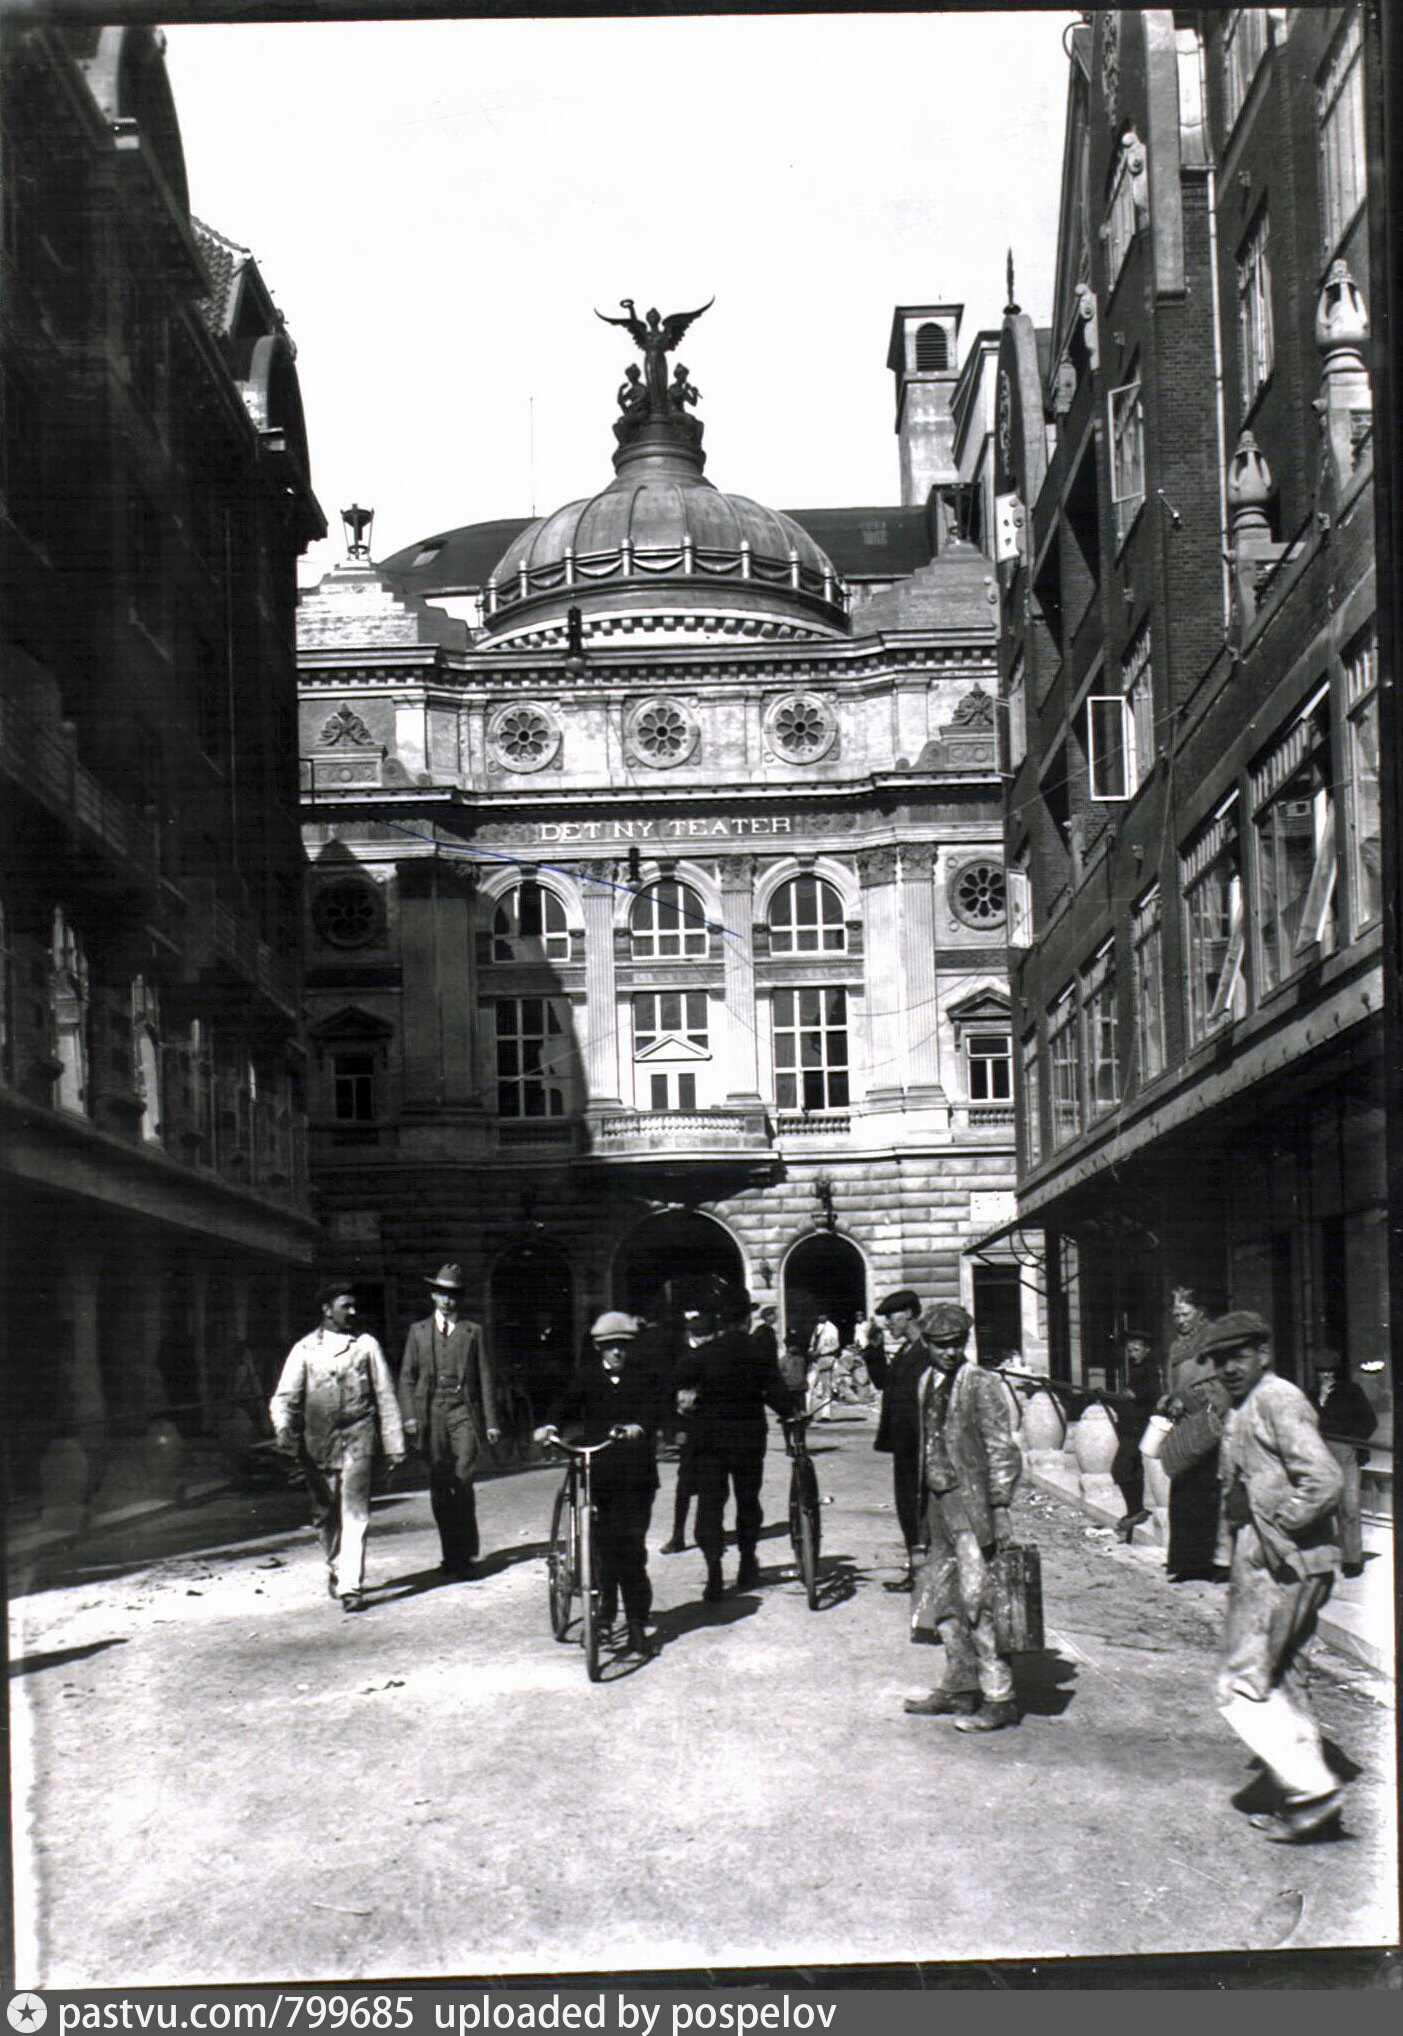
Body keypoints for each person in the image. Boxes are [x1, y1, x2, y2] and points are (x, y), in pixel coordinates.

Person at [1204, 1311, 1349, 1842]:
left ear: (1264, 1353)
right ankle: (1308, 1803)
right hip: (1276, 1561)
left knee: (1240, 1683)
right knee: (1283, 1676)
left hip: (1285, 1563)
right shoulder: (1245, 1405)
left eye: (1239, 1356)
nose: (1228, 1368)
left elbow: (1325, 1479)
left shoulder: (1277, 1398)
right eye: (1220, 1360)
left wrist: (1281, 1524)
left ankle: (1312, 1791)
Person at [904, 1302, 1023, 1731]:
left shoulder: (981, 1384)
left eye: (956, 1344)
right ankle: (960, 1686)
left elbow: (1001, 1449)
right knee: (944, 1598)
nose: (949, 1352)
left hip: (972, 1508)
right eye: (940, 1345)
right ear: (926, 1344)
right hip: (937, 1505)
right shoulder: (925, 1381)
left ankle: (999, 1696)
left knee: (980, 1601)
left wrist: (1000, 1506)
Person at [534, 1312, 668, 1656]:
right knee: (604, 1547)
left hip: (637, 1475)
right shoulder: (588, 1376)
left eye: (622, 1346)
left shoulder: (644, 1375)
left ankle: (636, 1621)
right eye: (610, 1347)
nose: (616, 1352)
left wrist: (640, 1426)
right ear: (599, 1348)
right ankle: (605, 1616)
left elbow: (656, 1410)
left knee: (632, 1548)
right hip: (601, 1473)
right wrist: (550, 1426)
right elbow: (565, 1402)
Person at [270, 1280, 405, 1613]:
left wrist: (394, 1443)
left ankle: (350, 1586)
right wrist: (283, 1427)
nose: (353, 1312)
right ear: (327, 1310)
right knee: (325, 1514)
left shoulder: (366, 1346)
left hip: (359, 1437)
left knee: (355, 1513)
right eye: (346, 1306)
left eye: (354, 1306)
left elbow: (385, 1395)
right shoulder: (304, 1349)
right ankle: (336, 1566)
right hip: (318, 1444)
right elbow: (285, 1397)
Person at [674, 1281, 799, 1602]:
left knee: (710, 1504)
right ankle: (746, 1562)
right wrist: (792, 1413)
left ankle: (714, 1570)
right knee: (748, 1501)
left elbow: (677, 1382)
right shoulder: (757, 1352)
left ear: (720, 1319)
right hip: (748, 1439)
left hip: (709, 1442)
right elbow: (774, 1391)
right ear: (746, 1319)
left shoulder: (703, 1354)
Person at [398, 1264, 501, 1578]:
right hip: (431, 1416)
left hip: (463, 1413)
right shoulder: (418, 1331)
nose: (447, 1301)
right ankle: (450, 1554)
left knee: (464, 1479)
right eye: (442, 1294)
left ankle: (466, 1554)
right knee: (441, 1484)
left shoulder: (473, 1332)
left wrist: (491, 1421)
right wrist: (410, 1416)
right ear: (433, 1295)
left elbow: (485, 1378)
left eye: (453, 1295)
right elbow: (406, 1377)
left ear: (460, 1298)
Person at [869, 1289, 934, 1592]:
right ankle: (917, 1571)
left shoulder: (928, 1351)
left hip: (921, 1445)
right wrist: (874, 1351)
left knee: (920, 1508)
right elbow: (884, 1383)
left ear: (909, 1313)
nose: (887, 1323)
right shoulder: (906, 1350)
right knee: (907, 1507)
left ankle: (924, 1575)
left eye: (891, 1316)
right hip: (904, 1446)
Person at [1163, 1283, 1226, 1582]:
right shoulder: (1177, 1346)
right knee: (1183, 1495)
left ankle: (1210, 1563)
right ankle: (1186, 1563)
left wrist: (1187, 1399)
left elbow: (1220, 1384)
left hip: (1209, 1429)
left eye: (1185, 1314)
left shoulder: (1212, 1340)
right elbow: (1174, 1384)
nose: (1180, 1320)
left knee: (1207, 1496)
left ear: (1200, 1312)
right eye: (1176, 1315)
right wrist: (1168, 1399)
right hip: (1185, 1429)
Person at [1309, 1349, 1376, 1577]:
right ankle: (1323, 1557)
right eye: (1322, 1371)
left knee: (1350, 1507)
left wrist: (1353, 1442)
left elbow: (1369, 1421)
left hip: (1346, 1453)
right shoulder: (1311, 1395)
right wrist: (1320, 1401)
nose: (1326, 1376)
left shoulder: (1351, 1392)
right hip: (1320, 1455)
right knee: (1322, 1508)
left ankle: (1352, 1559)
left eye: (1330, 1371)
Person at [1112, 1332, 1161, 1542]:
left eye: (1137, 1349)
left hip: (1138, 1426)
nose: (1132, 1354)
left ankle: (1136, 1510)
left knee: (1121, 1468)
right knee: (1131, 1467)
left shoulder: (1149, 1368)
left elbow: (1154, 1391)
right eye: (1130, 1350)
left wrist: (1134, 1394)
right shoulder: (1136, 1367)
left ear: (1147, 1350)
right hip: (1130, 1426)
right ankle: (1134, 1509)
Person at [806, 1312, 840, 1421]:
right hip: (815, 1361)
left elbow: (834, 1345)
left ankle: (826, 1415)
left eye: (823, 1314)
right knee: (809, 1386)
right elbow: (813, 1343)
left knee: (826, 1388)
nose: (820, 1316)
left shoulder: (832, 1328)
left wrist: (820, 1352)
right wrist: (811, 1351)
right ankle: (807, 1413)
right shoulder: (817, 1327)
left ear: (827, 1316)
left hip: (826, 1359)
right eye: (819, 1314)